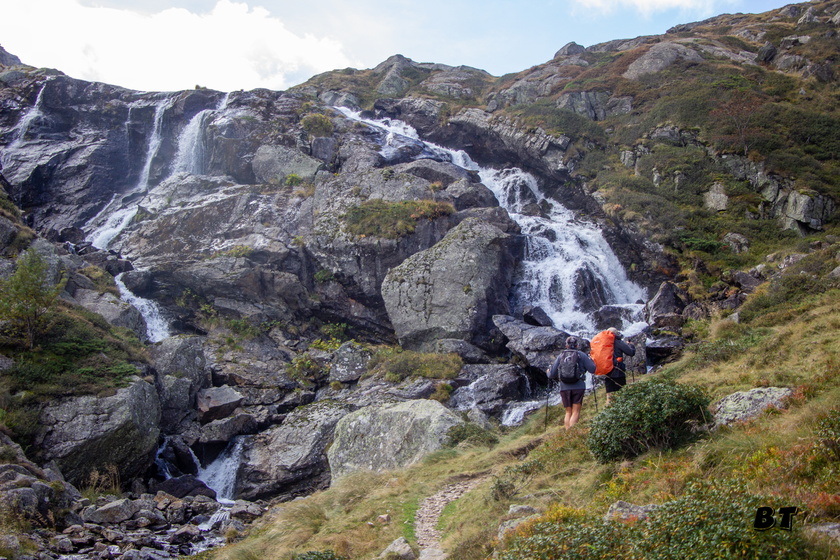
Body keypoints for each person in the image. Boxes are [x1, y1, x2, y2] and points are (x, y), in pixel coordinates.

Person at [547, 336, 596, 430]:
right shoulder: (581, 355)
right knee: (576, 411)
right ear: (577, 345)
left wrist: (547, 372)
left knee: (568, 412)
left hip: (564, 387)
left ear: (566, 345)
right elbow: (593, 369)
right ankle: (572, 433)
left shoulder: (561, 356)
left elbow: (551, 374)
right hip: (578, 386)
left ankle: (567, 433)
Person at [604, 327, 636, 406]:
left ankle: (609, 411)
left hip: (606, 372)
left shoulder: (602, 343)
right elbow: (630, 352)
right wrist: (631, 345)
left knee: (610, 397)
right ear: (616, 334)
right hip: (618, 372)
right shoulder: (618, 342)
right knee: (622, 394)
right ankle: (623, 410)